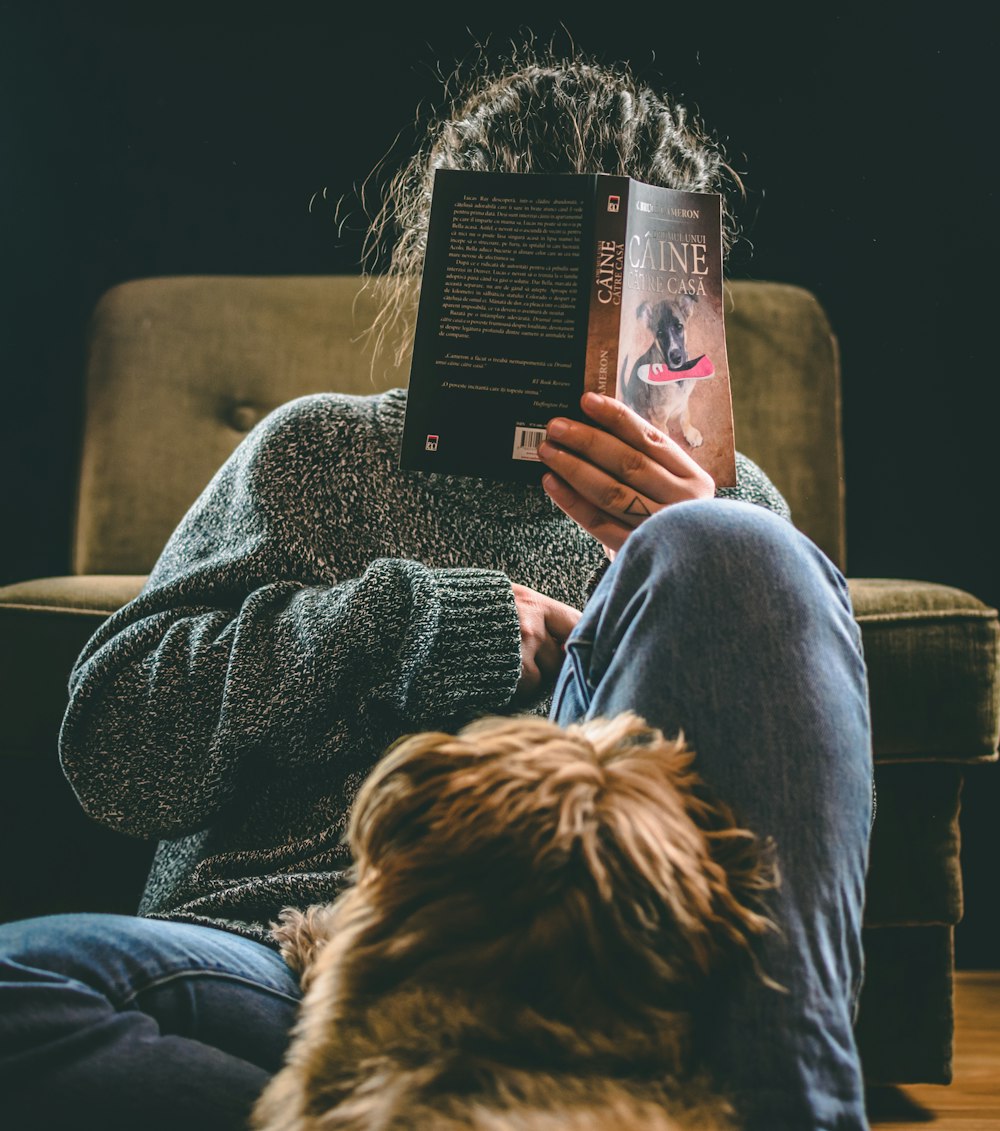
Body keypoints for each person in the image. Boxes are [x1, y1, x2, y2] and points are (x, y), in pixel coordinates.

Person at [0, 53, 873, 1131]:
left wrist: (688, 548)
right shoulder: (315, 452)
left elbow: (792, 832)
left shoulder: (725, 517)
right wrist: (407, 622)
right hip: (284, 958)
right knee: (17, 989)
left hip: (591, 975)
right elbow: (115, 756)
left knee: (740, 549)